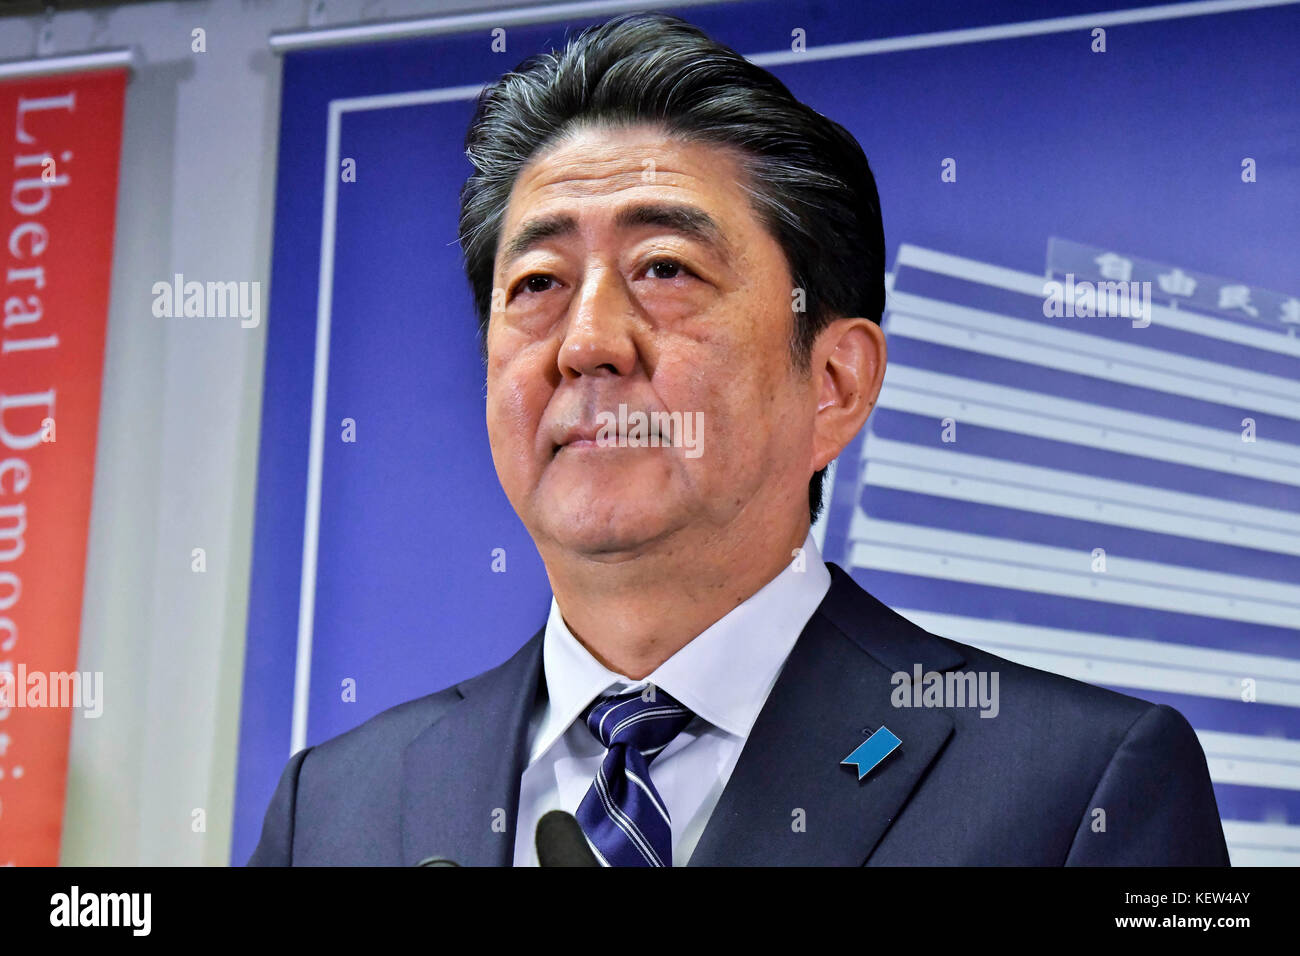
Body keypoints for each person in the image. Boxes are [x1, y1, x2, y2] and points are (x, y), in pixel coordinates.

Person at [249, 12, 1229, 866]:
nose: (587, 342)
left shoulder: (1078, 786)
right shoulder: (337, 806)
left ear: (836, 381)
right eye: (538, 283)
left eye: (666, 268)